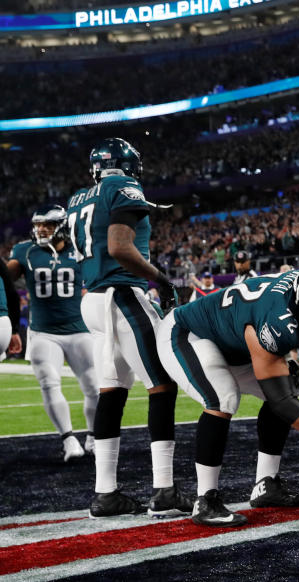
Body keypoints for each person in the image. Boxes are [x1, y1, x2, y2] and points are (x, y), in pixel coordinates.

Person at [156, 262, 299, 526]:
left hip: (228, 340)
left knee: (290, 380)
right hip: (187, 333)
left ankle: (265, 485)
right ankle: (205, 499)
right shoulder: (276, 319)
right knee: (222, 398)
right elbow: (281, 401)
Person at [66, 137, 190, 519]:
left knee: (113, 392)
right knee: (162, 385)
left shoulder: (77, 199)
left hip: (93, 300)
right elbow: (120, 247)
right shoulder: (123, 186)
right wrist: (162, 279)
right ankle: (165, 490)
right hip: (121, 294)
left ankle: (106, 494)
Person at [7, 205, 99, 461]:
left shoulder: (81, 249)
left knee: (94, 387)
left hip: (79, 329)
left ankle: (93, 437)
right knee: (49, 382)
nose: (40, 229)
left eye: (46, 224)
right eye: (38, 224)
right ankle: (69, 440)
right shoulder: (25, 251)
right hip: (43, 332)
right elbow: (5, 280)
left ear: (62, 226)